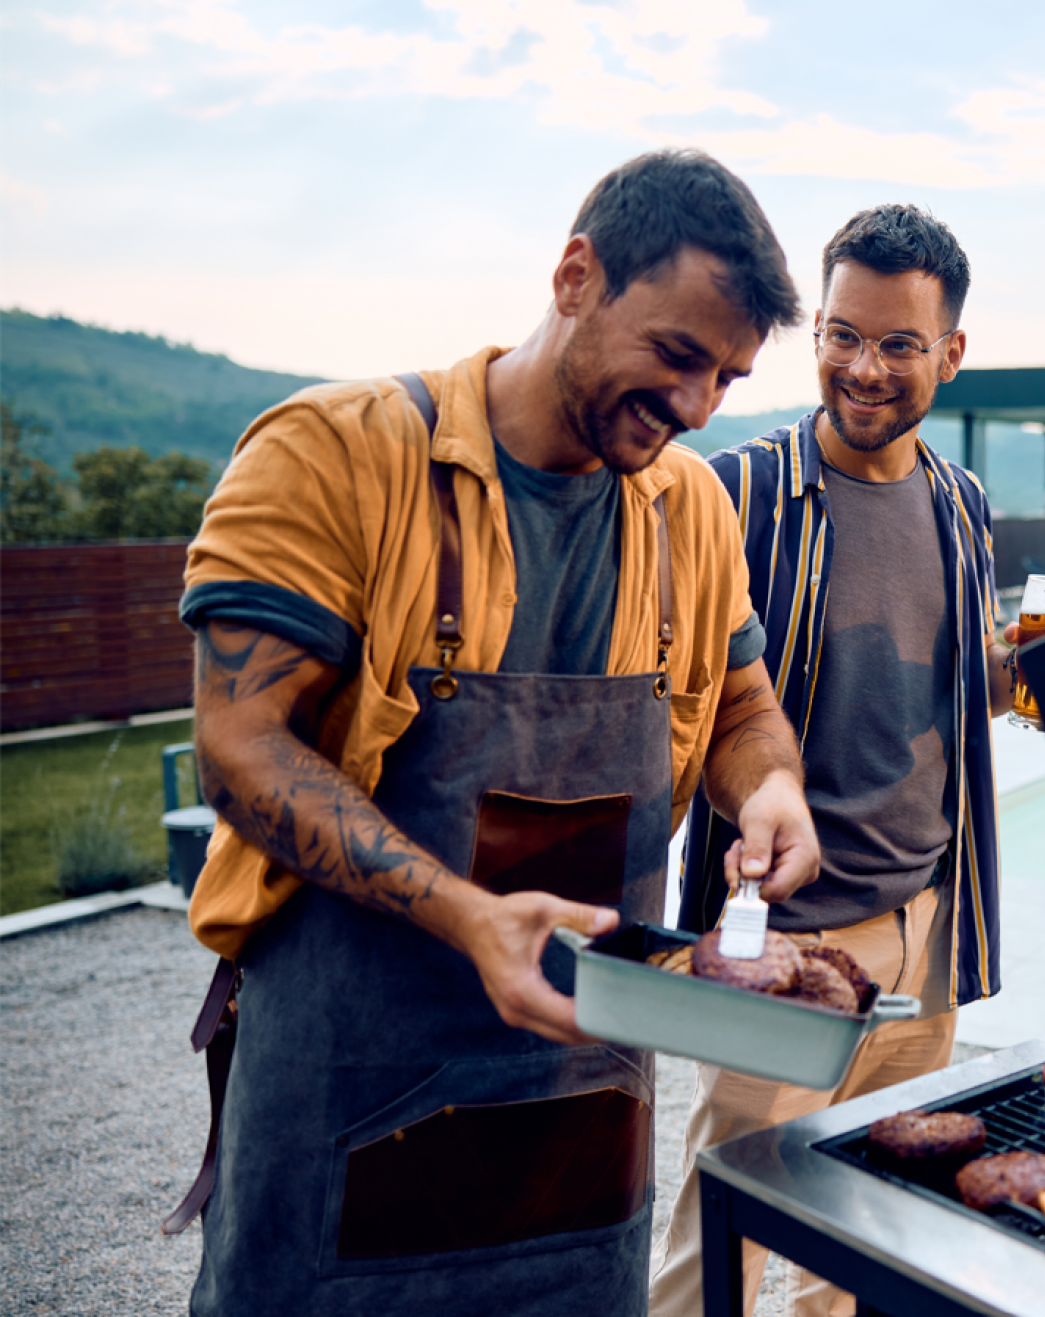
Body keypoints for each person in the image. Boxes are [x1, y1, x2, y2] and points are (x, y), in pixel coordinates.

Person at [173, 150, 821, 1317]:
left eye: (726, 378)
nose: (694, 407)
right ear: (575, 276)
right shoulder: (334, 452)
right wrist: (468, 917)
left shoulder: (691, 508)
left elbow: (740, 704)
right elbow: (241, 745)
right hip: (346, 1085)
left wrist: (770, 787)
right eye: (677, 354)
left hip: (584, 1107)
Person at [650, 205, 1014, 1317]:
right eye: (842, 334)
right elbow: (681, 694)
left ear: (951, 352)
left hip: (927, 931)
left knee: (862, 1253)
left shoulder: (962, 504)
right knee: (718, 1249)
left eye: (899, 344)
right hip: (785, 946)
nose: (863, 368)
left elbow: (953, 690)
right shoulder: (734, 492)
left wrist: (1025, 674)